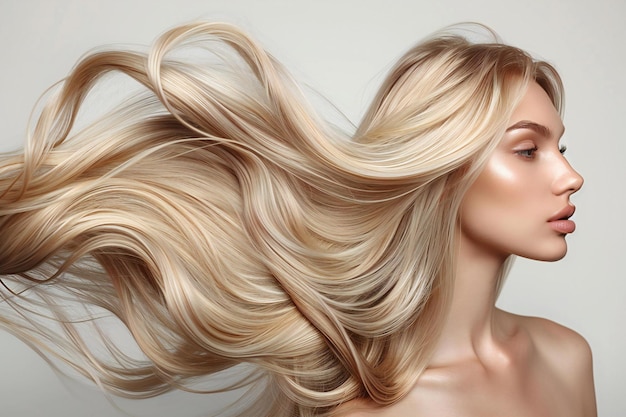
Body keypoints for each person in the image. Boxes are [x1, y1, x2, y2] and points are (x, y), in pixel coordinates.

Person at [0, 21, 596, 417]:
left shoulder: (568, 357)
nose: (570, 177)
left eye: (560, 149)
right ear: (443, 168)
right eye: (527, 150)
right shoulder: (367, 412)